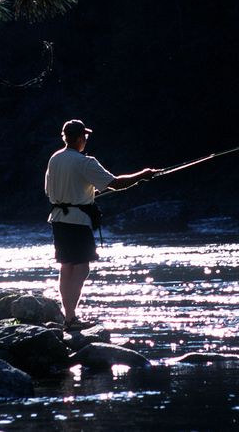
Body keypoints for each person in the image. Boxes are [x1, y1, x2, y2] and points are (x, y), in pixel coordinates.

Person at [45, 119, 160, 331]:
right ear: (80, 138)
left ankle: (69, 317)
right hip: (78, 222)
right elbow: (115, 183)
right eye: (85, 137)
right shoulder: (85, 162)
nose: (85, 140)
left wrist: (85, 193)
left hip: (58, 220)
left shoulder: (55, 159)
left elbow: (51, 191)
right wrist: (143, 175)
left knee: (66, 266)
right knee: (81, 268)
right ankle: (71, 318)